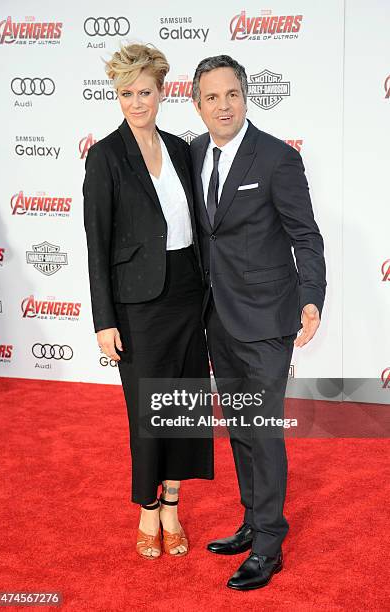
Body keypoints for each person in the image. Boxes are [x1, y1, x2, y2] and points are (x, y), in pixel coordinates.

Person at [190, 55, 326, 589]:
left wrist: (311, 297)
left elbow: (305, 235)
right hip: (217, 317)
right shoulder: (194, 151)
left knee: (264, 431)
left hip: (268, 319)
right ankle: (251, 519)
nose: (224, 105)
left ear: (247, 96)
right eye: (212, 97)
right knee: (241, 427)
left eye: (233, 94)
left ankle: (270, 543)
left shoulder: (276, 158)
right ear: (198, 104)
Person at [83, 44, 213, 560]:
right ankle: (147, 508)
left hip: (187, 292)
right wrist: (103, 319)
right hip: (137, 304)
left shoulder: (181, 148)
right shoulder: (106, 155)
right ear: (116, 96)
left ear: (162, 91)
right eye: (125, 94)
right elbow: (97, 242)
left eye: (144, 92)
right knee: (148, 409)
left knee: (184, 403)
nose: (135, 102)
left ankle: (174, 506)